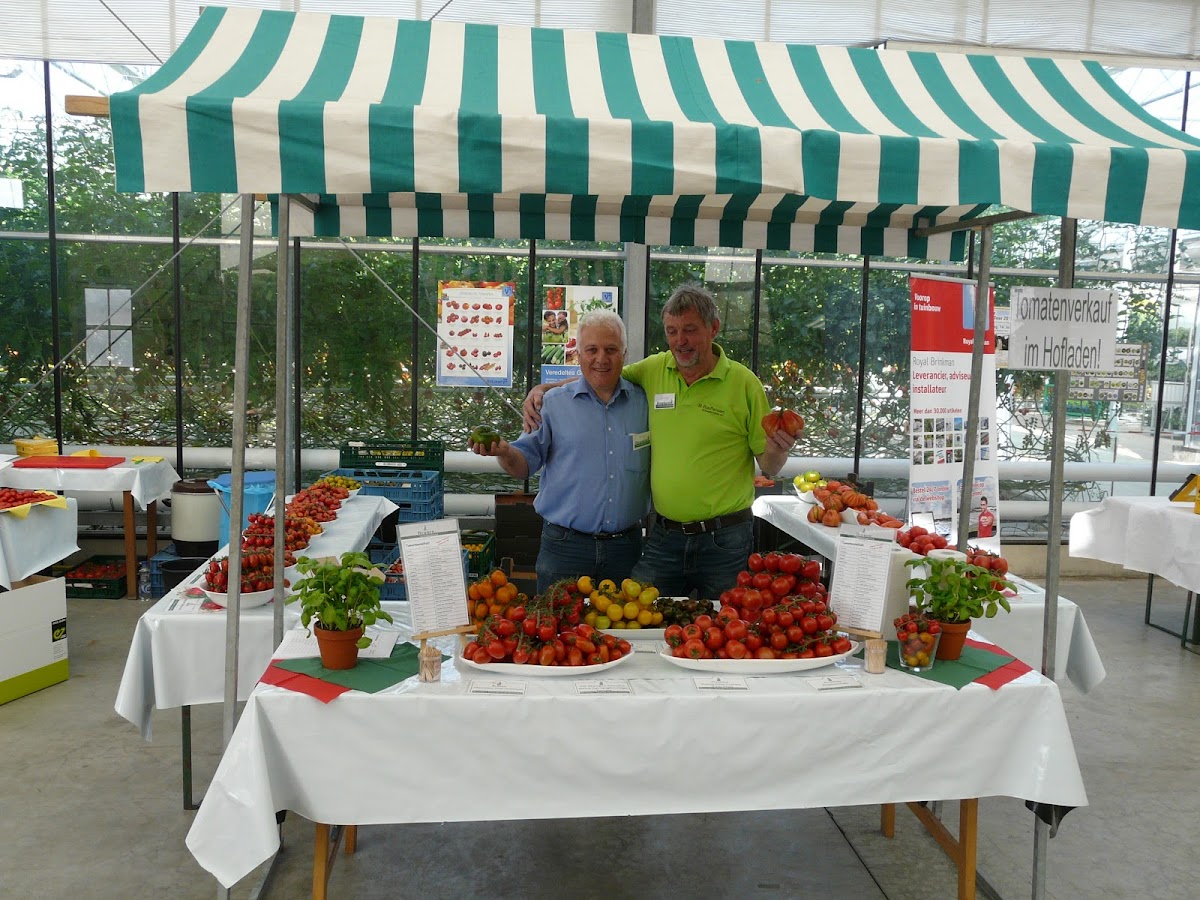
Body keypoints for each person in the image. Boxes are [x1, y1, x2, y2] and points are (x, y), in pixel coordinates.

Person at [523, 283, 795, 599]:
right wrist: (544, 389)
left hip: (725, 539)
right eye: (672, 331)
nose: (680, 341)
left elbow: (770, 466)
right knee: (640, 612)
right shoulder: (655, 369)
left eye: (690, 330)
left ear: (714, 328)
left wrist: (778, 448)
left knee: (727, 621)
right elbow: (603, 373)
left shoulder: (744, 384)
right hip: (666, 537)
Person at [472, 310, 649, 592]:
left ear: (624, 354)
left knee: (625, 622)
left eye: (611, 349)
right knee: (556, 620)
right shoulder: (552, 404)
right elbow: (523, 465)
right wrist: (505, 452)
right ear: (577, 354)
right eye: (591, 349)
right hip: (565, 548)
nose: (601, 359)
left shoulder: (645, 403)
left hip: (626, 550)